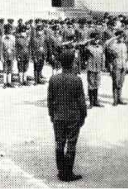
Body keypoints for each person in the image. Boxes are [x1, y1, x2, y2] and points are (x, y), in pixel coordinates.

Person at [47, 50, 86, 182]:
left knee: (59, 143)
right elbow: (81, 101)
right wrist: (83, 116)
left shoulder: (53, 79)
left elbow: (49, 100)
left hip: (58, 116)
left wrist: (52, 115)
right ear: (72, 63)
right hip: (73, 117)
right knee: (71, 144)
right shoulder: (77, 80)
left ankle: (61, 171)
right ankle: (68, 173)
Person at [106, 29, 128, 106]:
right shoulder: (113, 45)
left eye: (123, 37)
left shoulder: (124, 45)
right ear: (118, 37)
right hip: (116, 66)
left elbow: (126, 56)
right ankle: (115, 100)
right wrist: (114, 38)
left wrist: (126, 66)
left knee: (121, 83)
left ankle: (119, 99)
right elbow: (106, 44)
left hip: (123, 66)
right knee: (115, 83)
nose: (122, 38)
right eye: (121, 36)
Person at [85, 32, 104, 108]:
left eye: (98, 39)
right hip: (91, 68)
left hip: (98, 68)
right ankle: (91, 103)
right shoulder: (88, 47)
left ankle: (96, 101)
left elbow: (102, 57)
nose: (97, 40)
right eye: (95, 38)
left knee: (97, 84)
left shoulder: (100, 47)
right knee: (91, 85)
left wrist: (103, 66)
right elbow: (84, 56)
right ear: (92, 38)